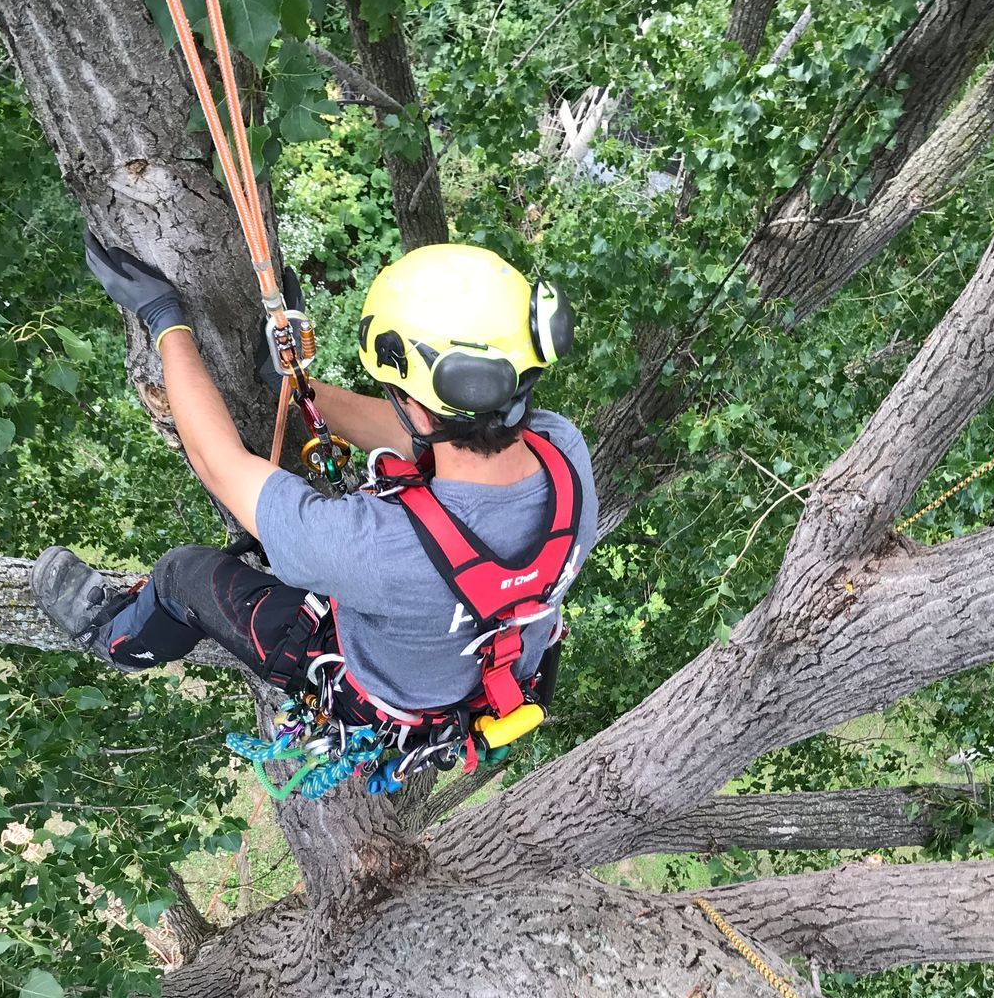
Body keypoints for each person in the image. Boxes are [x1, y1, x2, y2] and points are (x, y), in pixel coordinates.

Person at [31, 233, 596, 731]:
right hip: (486, 667)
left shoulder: (369, 546)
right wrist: (291, 384)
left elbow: (217, 461)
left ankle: (115, 639)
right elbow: (424, 435)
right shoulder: (562, 451)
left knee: (184, 574)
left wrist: (165, 321)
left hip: (381, 693)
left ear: (419, 411)